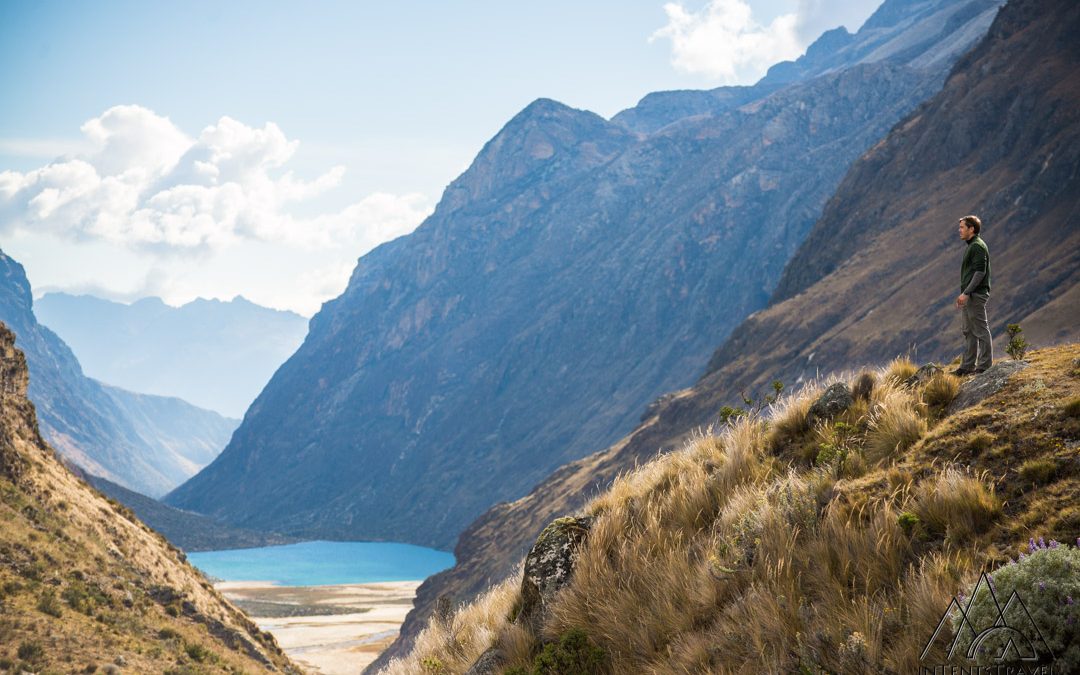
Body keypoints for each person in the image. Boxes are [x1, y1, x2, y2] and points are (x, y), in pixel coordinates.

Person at [952, 215, 992, 375]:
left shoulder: (977, 246)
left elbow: (980, 272)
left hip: (976, 294)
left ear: (971, 229)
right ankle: (967, 367)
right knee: (968, 330)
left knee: (980, 330)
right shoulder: (971, 246)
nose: (959, 230)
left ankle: (984, 366)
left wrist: (967, 293)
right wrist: (964, 293)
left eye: (962, 227)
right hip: (970, 294)